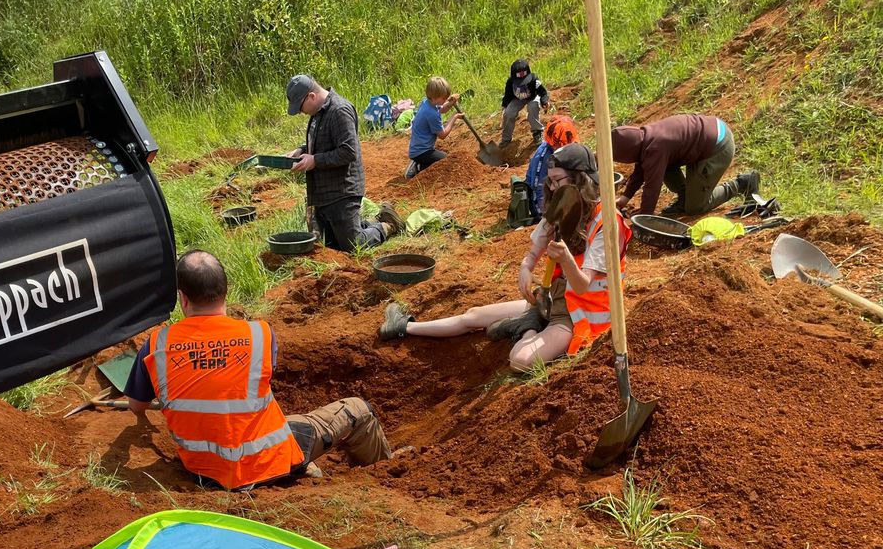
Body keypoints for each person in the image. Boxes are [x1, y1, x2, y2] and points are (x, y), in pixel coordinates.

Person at [124, 250, 394, 491]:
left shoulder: (157, 344)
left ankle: (303, 468)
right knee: (359, 410)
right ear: (226, 291)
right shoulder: (259, 335)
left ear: (182, 299)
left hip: (204, 472)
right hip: (268, 460)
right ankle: (386, 479)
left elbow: (137, 405)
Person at [378, 144, 632, 371]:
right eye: (550, 181)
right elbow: (535, 250)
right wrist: (525, 266)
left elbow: (583, 285)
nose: (552, 188)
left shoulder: (607, 224)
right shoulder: (563, 207)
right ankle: (403, 326)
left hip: (580, 315)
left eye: (557, 181)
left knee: (521, 360)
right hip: (554, 297)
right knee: (473, 316)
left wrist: (565, 260)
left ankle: (528, 326)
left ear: (580, 180)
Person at [285, 74, 404, 251]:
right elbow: (324, 140)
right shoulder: (318, 112)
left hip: (342, 191)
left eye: (301, 107)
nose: (301, 112)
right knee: (332, 247)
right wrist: (302, 150)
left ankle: (387, 225)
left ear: (312, 96)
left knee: (352, 245)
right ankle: (374, 221)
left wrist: (315, 160)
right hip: (323, 192)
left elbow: (349, 151)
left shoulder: (339, 110)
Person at [610, 113, 759, 217]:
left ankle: (742, 183)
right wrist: (625, 198)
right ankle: (684, 198)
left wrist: (644, 217)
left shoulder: (655, 149)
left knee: (695, 207)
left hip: (717, 147)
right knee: (662, 166)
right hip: (704, 139)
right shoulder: (647, 138)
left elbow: (652, 188)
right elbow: (641, 169)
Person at [404, 77, 462, 179]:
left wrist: (450, 103)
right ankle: (417, 166)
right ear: (435, 98)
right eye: (444, 98)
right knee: (446, 161)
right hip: (422, 152)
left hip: (418, 149)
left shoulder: (426, 102)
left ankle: (419, 163)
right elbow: (442, 135)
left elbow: (442, 109)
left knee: (440, 161)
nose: (445, 100)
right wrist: (454, 117)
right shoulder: (431, 114)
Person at [525, 114, 579, 221]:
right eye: (560, 145)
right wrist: (546, 216)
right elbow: (538, 190)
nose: (563, 148)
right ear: (552, 142)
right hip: (545, 198)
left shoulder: (572, 144)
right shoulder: (543, 158)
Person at [500, 59, 549, 148]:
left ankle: (537, 132)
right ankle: (506, 139)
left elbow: (543, 92)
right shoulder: (510, 83)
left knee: (532, 107)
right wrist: (504, 106)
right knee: (508, 113)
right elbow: (507, 96)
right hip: (517, 99)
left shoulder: (534, 80)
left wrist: (544, 101)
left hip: (532, 97)